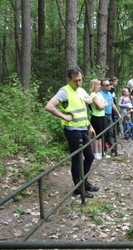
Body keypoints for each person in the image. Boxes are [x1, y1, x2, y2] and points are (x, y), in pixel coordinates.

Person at [45, 66, 99, 198]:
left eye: (80, 80)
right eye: (76, 81)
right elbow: (49, 106)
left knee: (90, 156)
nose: (79, 83)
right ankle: (78, 188)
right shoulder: (64, 91)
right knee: (77, 158)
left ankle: (84, 181)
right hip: (72, 130)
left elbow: (86, 104)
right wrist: (64, 116)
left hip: (83, 128)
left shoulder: (80, 90)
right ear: (69, 80)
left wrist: (89, 125)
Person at [100, 78, 121, 155]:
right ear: (102, 86)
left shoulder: (109, 93)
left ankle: (113, 149)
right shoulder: (100, 94)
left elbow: (112, 104)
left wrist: (118, 113)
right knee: (104, 133)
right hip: (103, 115)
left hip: (110, 114)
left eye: (109, 85)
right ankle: (104, 149)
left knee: (111, 132)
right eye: (106, 85)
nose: (109, 86)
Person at [89, 79, 109, 160]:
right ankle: (95, 152)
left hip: (102, 116)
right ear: (94, 86)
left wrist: (102, 105)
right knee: (96, 136)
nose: (99, 86)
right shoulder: (93, 95)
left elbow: (107, 103)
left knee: (101, 135)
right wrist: (102, 105)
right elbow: (99, 106)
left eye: (100, 84)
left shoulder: (99, 94)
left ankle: (101, 152)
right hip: (96, 117)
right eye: (98, 85)